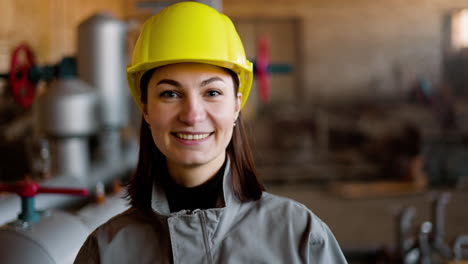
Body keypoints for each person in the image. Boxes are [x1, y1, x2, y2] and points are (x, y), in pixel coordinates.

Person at [74, 2, 347, 263]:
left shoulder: (299, 236)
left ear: (237, 104)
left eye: (212, 92)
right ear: (145, 107)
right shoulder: (105, 251)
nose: (192, 114)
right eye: (170, 93)